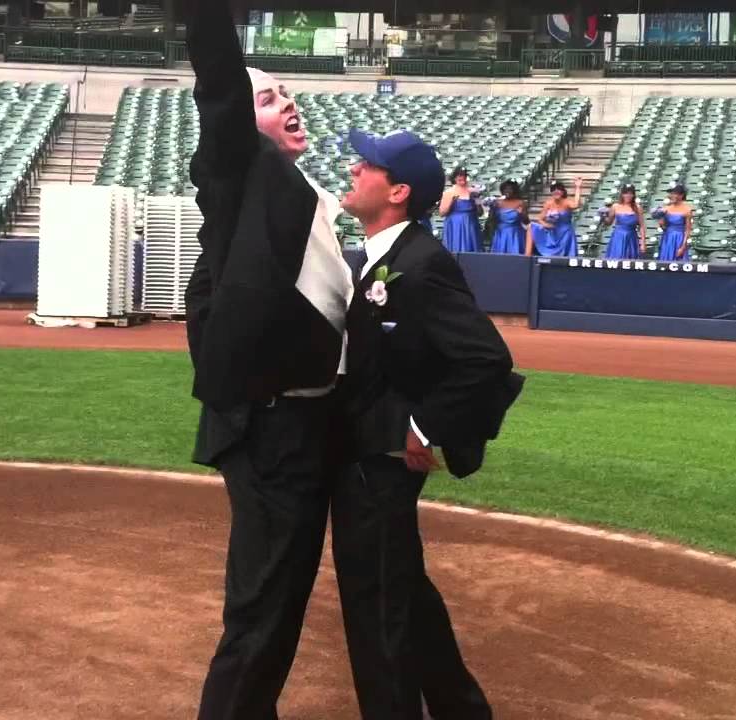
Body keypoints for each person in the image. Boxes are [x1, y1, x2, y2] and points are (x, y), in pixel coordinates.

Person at [184, 1, 354, 717]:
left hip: (307, 423)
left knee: (279, 606)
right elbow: (221, 85)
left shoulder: (304, 195)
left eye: (286, 91)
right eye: (267, 98)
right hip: (270, 427)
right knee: (261, 610)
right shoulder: (241, 171)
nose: (285, 102)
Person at [334, 128, 525, 720]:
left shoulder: (421, 262)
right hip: (364, 451)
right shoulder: (378, 255)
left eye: (367, 165)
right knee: (403, 593)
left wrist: (423, 425)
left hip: (382, 459)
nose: (353, 169)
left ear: (398, 192)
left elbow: (486, 359)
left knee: (377, 603)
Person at [527, 179, 582, 257]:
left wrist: (578, 187)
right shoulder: (548, 203)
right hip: (552, 232)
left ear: (563, 192)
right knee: (532, 226)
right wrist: (546, 225)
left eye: (558, 189)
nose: (556, 191)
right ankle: (527, 257)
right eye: (554, 190)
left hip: (565, 233)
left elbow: (576, 204)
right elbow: (540, 219)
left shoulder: (567, 202)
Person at [438, 167, 481, 253]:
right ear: (455, 178)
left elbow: (480, 213)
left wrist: (477, 201)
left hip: (471, 224)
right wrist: (451, 202)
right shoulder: (449, 192)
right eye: (460, 175)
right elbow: (441, 213)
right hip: (455, 225)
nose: (463, 177)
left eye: (464, 175)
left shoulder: (473, 191)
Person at [602, 183, 646, 260]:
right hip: (618, 237)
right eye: (626, 193)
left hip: (631, 237)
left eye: (630, 193)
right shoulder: (615, 206)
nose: (628, 196)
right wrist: (603, 216)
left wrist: (643, 243)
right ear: (622, 194)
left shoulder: (638, 208)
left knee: (631, 258)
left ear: (633, 195)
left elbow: (642, 226)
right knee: (616, 257)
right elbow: (609, 222)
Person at [655, 182, 693, 261]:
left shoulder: (687, 210)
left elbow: (688, 230)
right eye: (671, 193)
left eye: (675, 193)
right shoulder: (666, 209)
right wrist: (661, 224)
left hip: (679, 238)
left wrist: (683, 247)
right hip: (667, 238)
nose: (672, 195)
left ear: (681, 195)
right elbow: (664, 227)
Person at [488, 180, 528, 254]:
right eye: (505, 189)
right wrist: (492, 209)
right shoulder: (497, 203)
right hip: (501, 233)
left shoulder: (521, 203)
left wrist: (522, 214)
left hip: (515, 234)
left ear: (514, 191)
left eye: (510, 189)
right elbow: (491, 219)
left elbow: (526, 222)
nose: (507, 191)